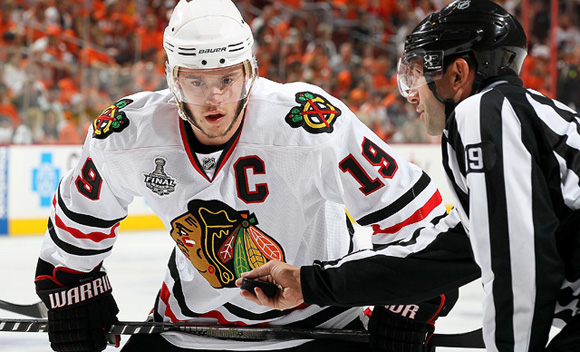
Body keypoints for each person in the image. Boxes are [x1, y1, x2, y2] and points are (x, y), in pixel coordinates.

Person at [32, 1, 472, 351]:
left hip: (320, 323)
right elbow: (79, 220)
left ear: (250, 72)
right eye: (196, 82)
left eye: (227, 79)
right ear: (171, 79)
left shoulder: (308, 124)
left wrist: (406, 306)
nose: (214, 99)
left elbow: (417, 222)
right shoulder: (128, 132)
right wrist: (75, 284)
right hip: (188, 326)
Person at [238, 1, 580, 351]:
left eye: (416, 74)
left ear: (458, 74)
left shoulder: (483, 112)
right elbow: (435, 258)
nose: (411, 93)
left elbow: (519, 260)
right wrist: (307, 283)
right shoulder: (526, 120)